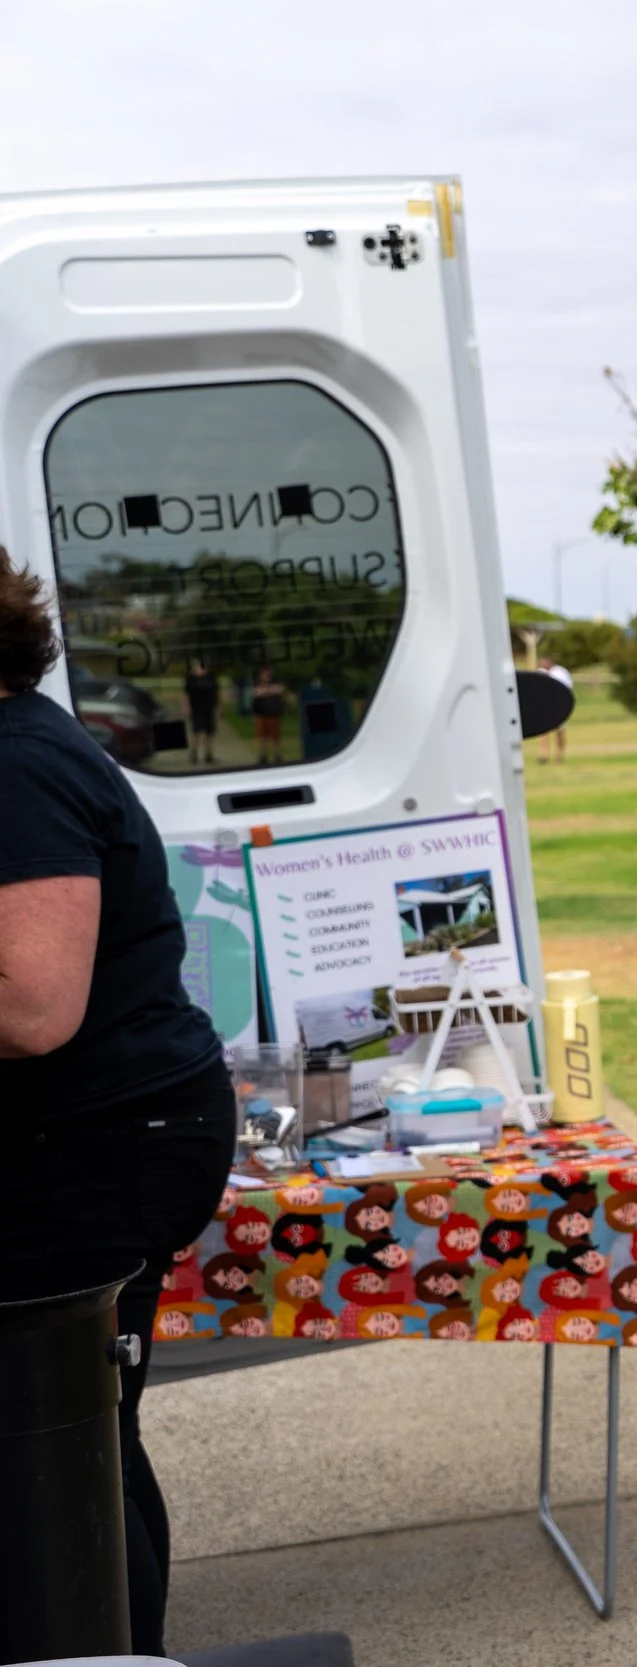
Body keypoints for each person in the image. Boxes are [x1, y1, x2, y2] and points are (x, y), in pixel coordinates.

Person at [0, 546, 232, 1654]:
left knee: (57, 1448)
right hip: (102, 1130)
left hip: (100, 1141)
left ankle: (102, 1649)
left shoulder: (13, 766)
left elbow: (33, 1009)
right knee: (85, 1436)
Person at [181, 657, 218, 766]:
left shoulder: (211, 677)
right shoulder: (190, 678)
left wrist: (218, 706)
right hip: (196, 708)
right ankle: (194, 753)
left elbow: (216, 692)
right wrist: (186, 706)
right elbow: (185, 694)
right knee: (196, 732)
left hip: (209, 707)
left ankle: (208, 753)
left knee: (209, 732)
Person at [248, 663, 285, 764]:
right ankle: (263, 755)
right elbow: (256, 693)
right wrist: (269, 691)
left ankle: (277, 755)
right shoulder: (257, 683)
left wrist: (265, 691)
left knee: (275, 737)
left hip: (274, 714)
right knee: (261, 737)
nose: (267, 675)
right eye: (265, 673)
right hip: (261, 714)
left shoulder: (276, 681)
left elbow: (280, 690)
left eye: (268, 673)